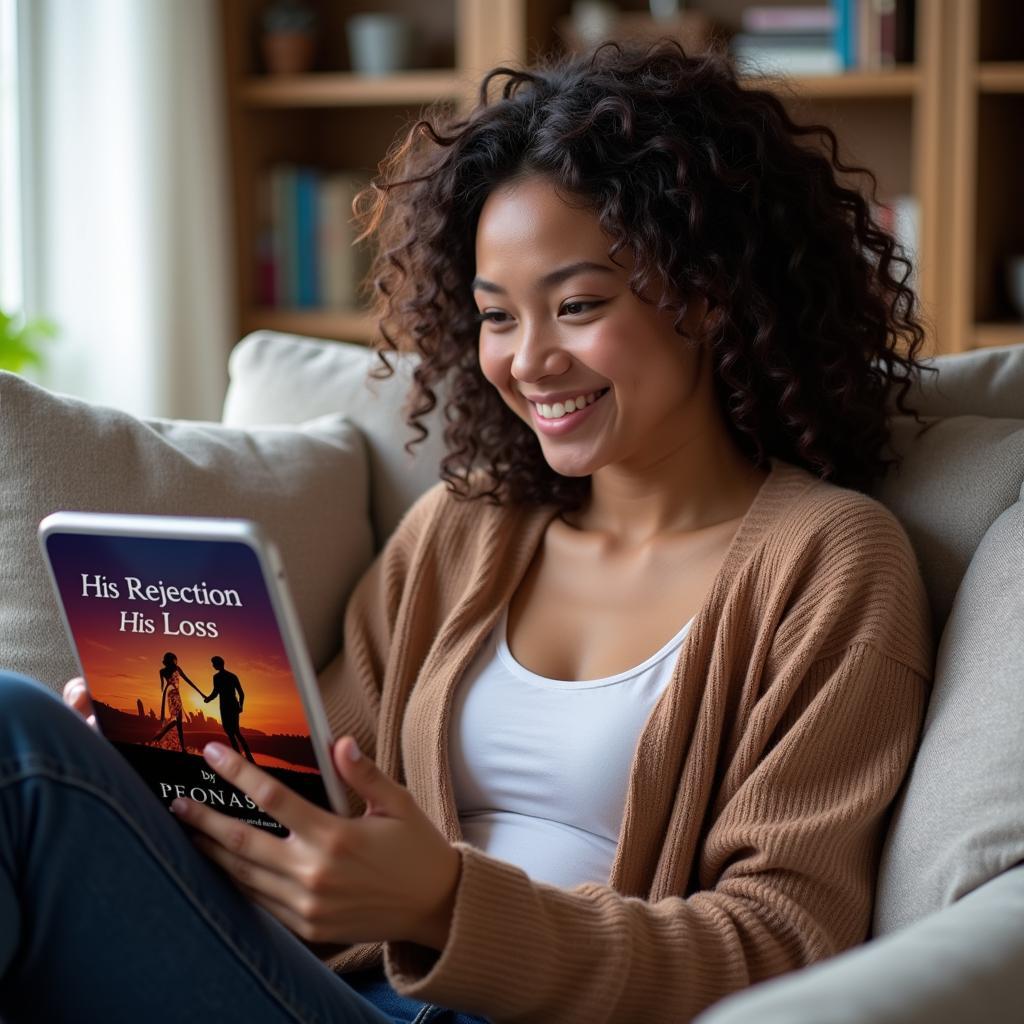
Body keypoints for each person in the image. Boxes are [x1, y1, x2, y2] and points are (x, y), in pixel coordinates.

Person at [0, 39, 935, 1023]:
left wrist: (444, 902)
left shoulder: (831, 561)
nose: (529, 360)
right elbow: (314, 791)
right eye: (496, 317)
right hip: (335, 991)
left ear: (703, 294)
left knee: (11, 738)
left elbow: (785, 940)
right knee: (39, 740)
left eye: (576, 306)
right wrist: (161, 770)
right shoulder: (465, 528)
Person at [147, 651, 208, 752]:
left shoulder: (162, 671)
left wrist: (165, 696)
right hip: (174, 693)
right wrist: (201, 694)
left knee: (178, 721)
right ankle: (167, 737)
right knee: (178, 721)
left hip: (169, 693)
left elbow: (163, 687)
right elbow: (188, 681)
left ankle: (172, 741)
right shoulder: (176, 668)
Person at [205, 655, 256, 764]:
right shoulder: (232, 676)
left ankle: (241, 756)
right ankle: (247, 756)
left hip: (225, 706)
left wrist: (209, 699)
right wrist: (240, 706)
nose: (213, 665)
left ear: (218, 664)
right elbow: (241, 694)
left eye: (214, 664)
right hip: (232, 705)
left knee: (231, 732)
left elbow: (215, 693)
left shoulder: (217, 677)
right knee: (235, 731)